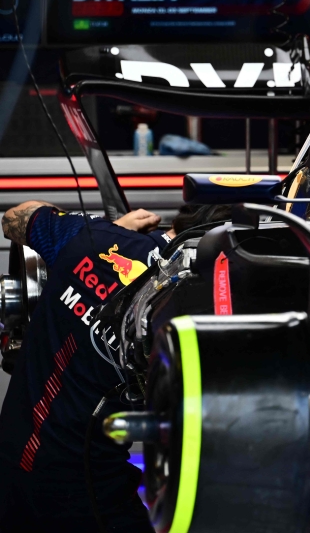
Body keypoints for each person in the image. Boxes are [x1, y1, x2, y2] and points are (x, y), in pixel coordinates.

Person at [0, 201, 227, 532]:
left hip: (10, 466)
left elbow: (13, 218)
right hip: (81, 498)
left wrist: (108, 229)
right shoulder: (186, 308)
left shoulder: (89, 238)